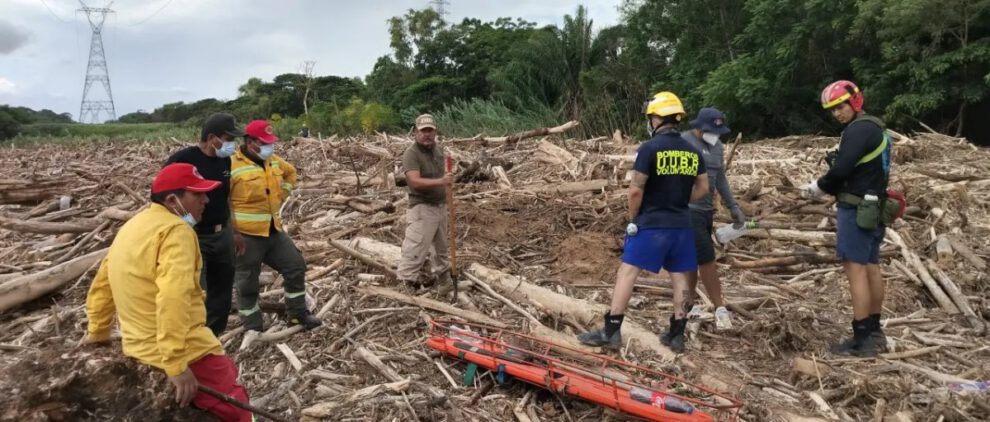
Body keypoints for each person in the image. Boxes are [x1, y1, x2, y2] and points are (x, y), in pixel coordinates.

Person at [83, 163, 252, 421]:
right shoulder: (177, 232)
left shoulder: (132, 226)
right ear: (173, 200)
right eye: (198, 194)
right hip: (186, 350)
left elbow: (102, 286)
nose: (206, 200)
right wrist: (176, 363)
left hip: (138, 349)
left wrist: (98, 333)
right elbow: (173, 298)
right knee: (238, 410)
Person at [578, 92, 709, 353]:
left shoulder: (649, 149)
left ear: (657, 119)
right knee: (680, 277)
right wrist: (681, 200)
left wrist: (634, 218)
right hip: (682, 225)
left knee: (627, 272)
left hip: (652, 223)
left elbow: (636, 190)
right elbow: (704, 188)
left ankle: (611, 331)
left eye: (651, 118)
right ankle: (677, 335)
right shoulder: (693, 152)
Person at [801, 80, 892, 357]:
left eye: (840, 107)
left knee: (856, 271)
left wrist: (818, 187)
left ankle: (862, 337)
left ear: (854, 101)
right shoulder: (876, 128)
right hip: (875, 207)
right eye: (832, 110)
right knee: (871, 266)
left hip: (856, 209)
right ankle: (875, 331)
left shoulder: (857, 130)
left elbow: (841, 170)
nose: (837, 113)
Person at [230, 119, 321, 331]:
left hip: (273, 230)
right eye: (265, 143)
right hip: (245, 235)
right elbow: (222, 201)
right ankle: (253, 326)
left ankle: (297, 314)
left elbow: (291, 173)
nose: (269, 146)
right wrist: (232, 233)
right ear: (250, 142)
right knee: (247, 282)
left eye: (271, 142)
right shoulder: (231, 165)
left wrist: (283, 193)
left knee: (295, 266)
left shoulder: (273, 160)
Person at [165, 112, 246, 336]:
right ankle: (192, 338)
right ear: (212, 138)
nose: (232, 144)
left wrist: (235, 231)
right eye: (228, 139)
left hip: (222, 234)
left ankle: (213, 337)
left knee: (222, 292)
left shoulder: (224, 160)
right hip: (194, 235)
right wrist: (180, 226)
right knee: (196, 291)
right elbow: (164, 195)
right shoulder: (183, 159)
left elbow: (227, 198)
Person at [681, 108, 746, 330]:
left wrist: (733, 206)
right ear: (699, 128)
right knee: (707, 258)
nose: (715, 136)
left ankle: (688, 304)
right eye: (711, 131)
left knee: (692, 258)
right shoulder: (683, 143)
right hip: (689, 210)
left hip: (707, 210)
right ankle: (720, 308)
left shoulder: (717, 147)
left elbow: (720, 178)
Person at [397, 114, 454, 289]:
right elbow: (414, 181)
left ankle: (444, 282)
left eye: (430, 131)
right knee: (416, 247)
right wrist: (442, 182)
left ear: (435, 131)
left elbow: (444, 174)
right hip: (422, 208)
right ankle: (405, 283)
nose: (426, 135)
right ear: (416, 132)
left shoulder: (438, 150)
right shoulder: (411, 154)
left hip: (440, 206)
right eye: (423, 131)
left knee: (441, 248)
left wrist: (448, 181)